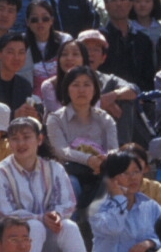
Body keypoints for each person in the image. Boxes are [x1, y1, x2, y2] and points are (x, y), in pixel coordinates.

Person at [0, 116, 88, 252]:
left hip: (46, 242)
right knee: (34, 226)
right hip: (11, 242)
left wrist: (56, 215)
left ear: (39, 139)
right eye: (15, 139)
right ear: (9, 143)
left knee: (69, 227)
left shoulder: (54, 168)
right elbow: (5, 214)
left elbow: (68, 203)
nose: (21, 144)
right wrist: (41, 218)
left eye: (26, 137)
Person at [87, 151, 161, 252]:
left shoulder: (150, 206)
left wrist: (150, 242)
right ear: (111, 178)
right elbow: (114, 228)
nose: (132, 178)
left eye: (136, 172)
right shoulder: (98, 208)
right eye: (124, 173)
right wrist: (120, 198)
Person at [45, 66, 118, 204]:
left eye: (86, 85)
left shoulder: (105, 118)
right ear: (67, 89)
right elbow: (61, 151)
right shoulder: (55, 119)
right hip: (70, 173)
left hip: (101, 171)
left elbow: (114, 149)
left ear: (95, 89)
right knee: (70, 184)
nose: (81, 90)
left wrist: (104, 160)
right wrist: (89, 160)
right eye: (75, 85)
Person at [71, 29, 140, 144]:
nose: (91, 54)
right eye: (86, 49)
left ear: (103, 58)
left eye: (96, 50)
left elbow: (133, 90)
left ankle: (121, 151)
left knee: (125, 101)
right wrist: (98, 104)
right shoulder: (65, 78)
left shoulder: (109, 80)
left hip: (106, 137)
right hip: (74, 136)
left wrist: (111, 97)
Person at [99, 0, 160, 92]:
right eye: (113, 0)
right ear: (106, 5)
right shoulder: (99, 39)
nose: (119, 4)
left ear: (131, 4)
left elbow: (149, 77)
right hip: (108, 97)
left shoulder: (143, 40)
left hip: (139, 99)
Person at [22, 0, 73, 88]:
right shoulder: (21, 44)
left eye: (45, 18)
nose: (40, 22)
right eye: (34, 19)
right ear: (27, 22)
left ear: (52, 21)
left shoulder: (65, 40)